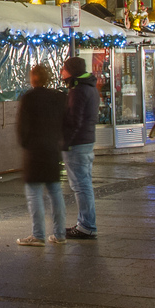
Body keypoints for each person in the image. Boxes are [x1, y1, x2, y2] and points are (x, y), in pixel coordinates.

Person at [16, 62, 67, 245]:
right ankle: (60, 234)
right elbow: (65, 122)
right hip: (53, 149)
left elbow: (22, 127)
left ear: (33, 78)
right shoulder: (58, 97)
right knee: (55, 192)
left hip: (35, 152)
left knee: (34, 194)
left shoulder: (28, 98)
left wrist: (25, 144)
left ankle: (38, 235)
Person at [60, 56, 98, 240]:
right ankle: (85, 223)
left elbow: (74, 120)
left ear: (71, 70)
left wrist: (65, 141)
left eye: (64, 68)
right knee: (83, 185)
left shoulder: (78, 90)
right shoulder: (88, 87)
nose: (61, 71)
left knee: (81, 186)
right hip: (86, 140)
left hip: (78, 143)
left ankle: (87, 226)